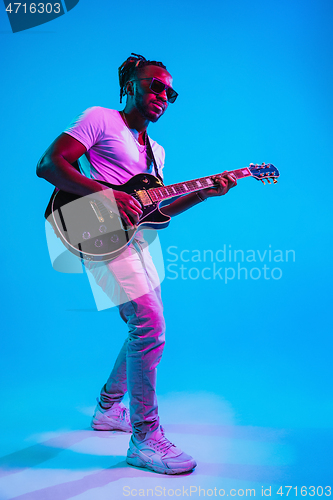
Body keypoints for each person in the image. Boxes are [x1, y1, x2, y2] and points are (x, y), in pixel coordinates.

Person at [37, 53, 237, 475]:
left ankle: (109, 409)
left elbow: (153, 210)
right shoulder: (101, 118)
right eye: (154, 86)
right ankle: (145, 439)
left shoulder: (158, 152)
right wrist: (105, 195)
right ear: (129, 85)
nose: (163, 95)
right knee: (151, 325)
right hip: (95, 231)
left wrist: (204, 192)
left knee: (144, 326)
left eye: (170, 92)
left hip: (138, 240)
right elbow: (50, 165)